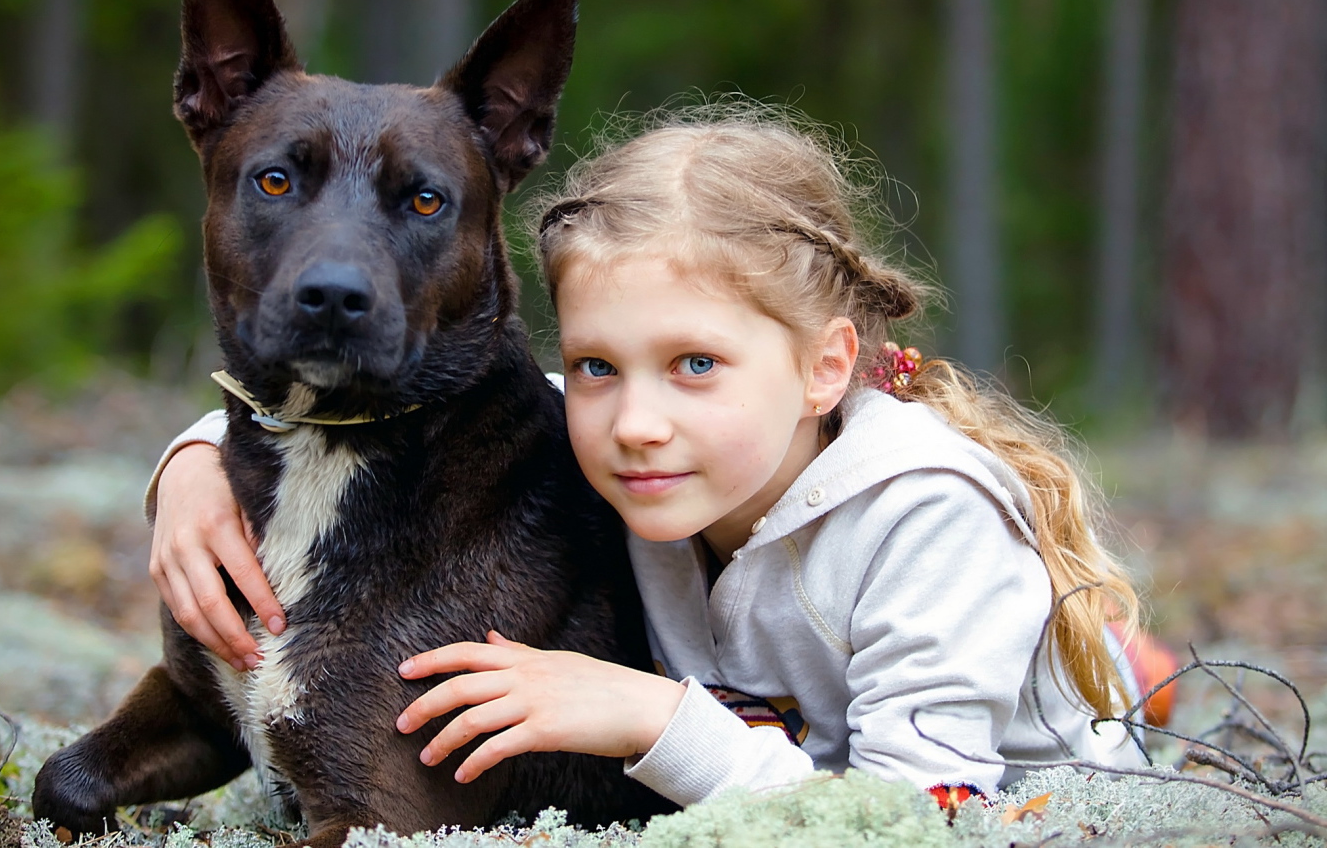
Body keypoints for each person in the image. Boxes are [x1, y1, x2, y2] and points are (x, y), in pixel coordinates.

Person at [148, 104, 1160, 810]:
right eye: (595, 364)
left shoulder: (920, 522)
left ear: (823, 368)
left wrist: (652, 717)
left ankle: (1105, 667)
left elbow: (919, 817)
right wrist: (193, 462)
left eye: (694, 363)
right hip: (785, 772)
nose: (634, 421)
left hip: (1015, 799)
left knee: (1043, 680)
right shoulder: (647, 457)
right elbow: (431, 407)